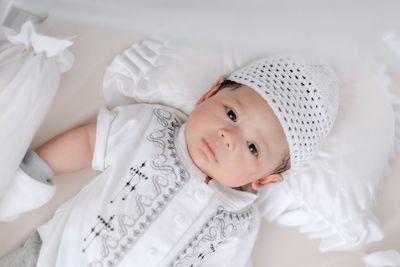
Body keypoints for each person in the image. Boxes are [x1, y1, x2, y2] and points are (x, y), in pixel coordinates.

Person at [0, 55, 339, 267]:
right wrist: (34, 171)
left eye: (252, 148)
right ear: (210, 93)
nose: (229, 137)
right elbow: (90, 141)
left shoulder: (239, 225)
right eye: (232, 113)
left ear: (263, 179)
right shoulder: (153, 128)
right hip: (51, 257)